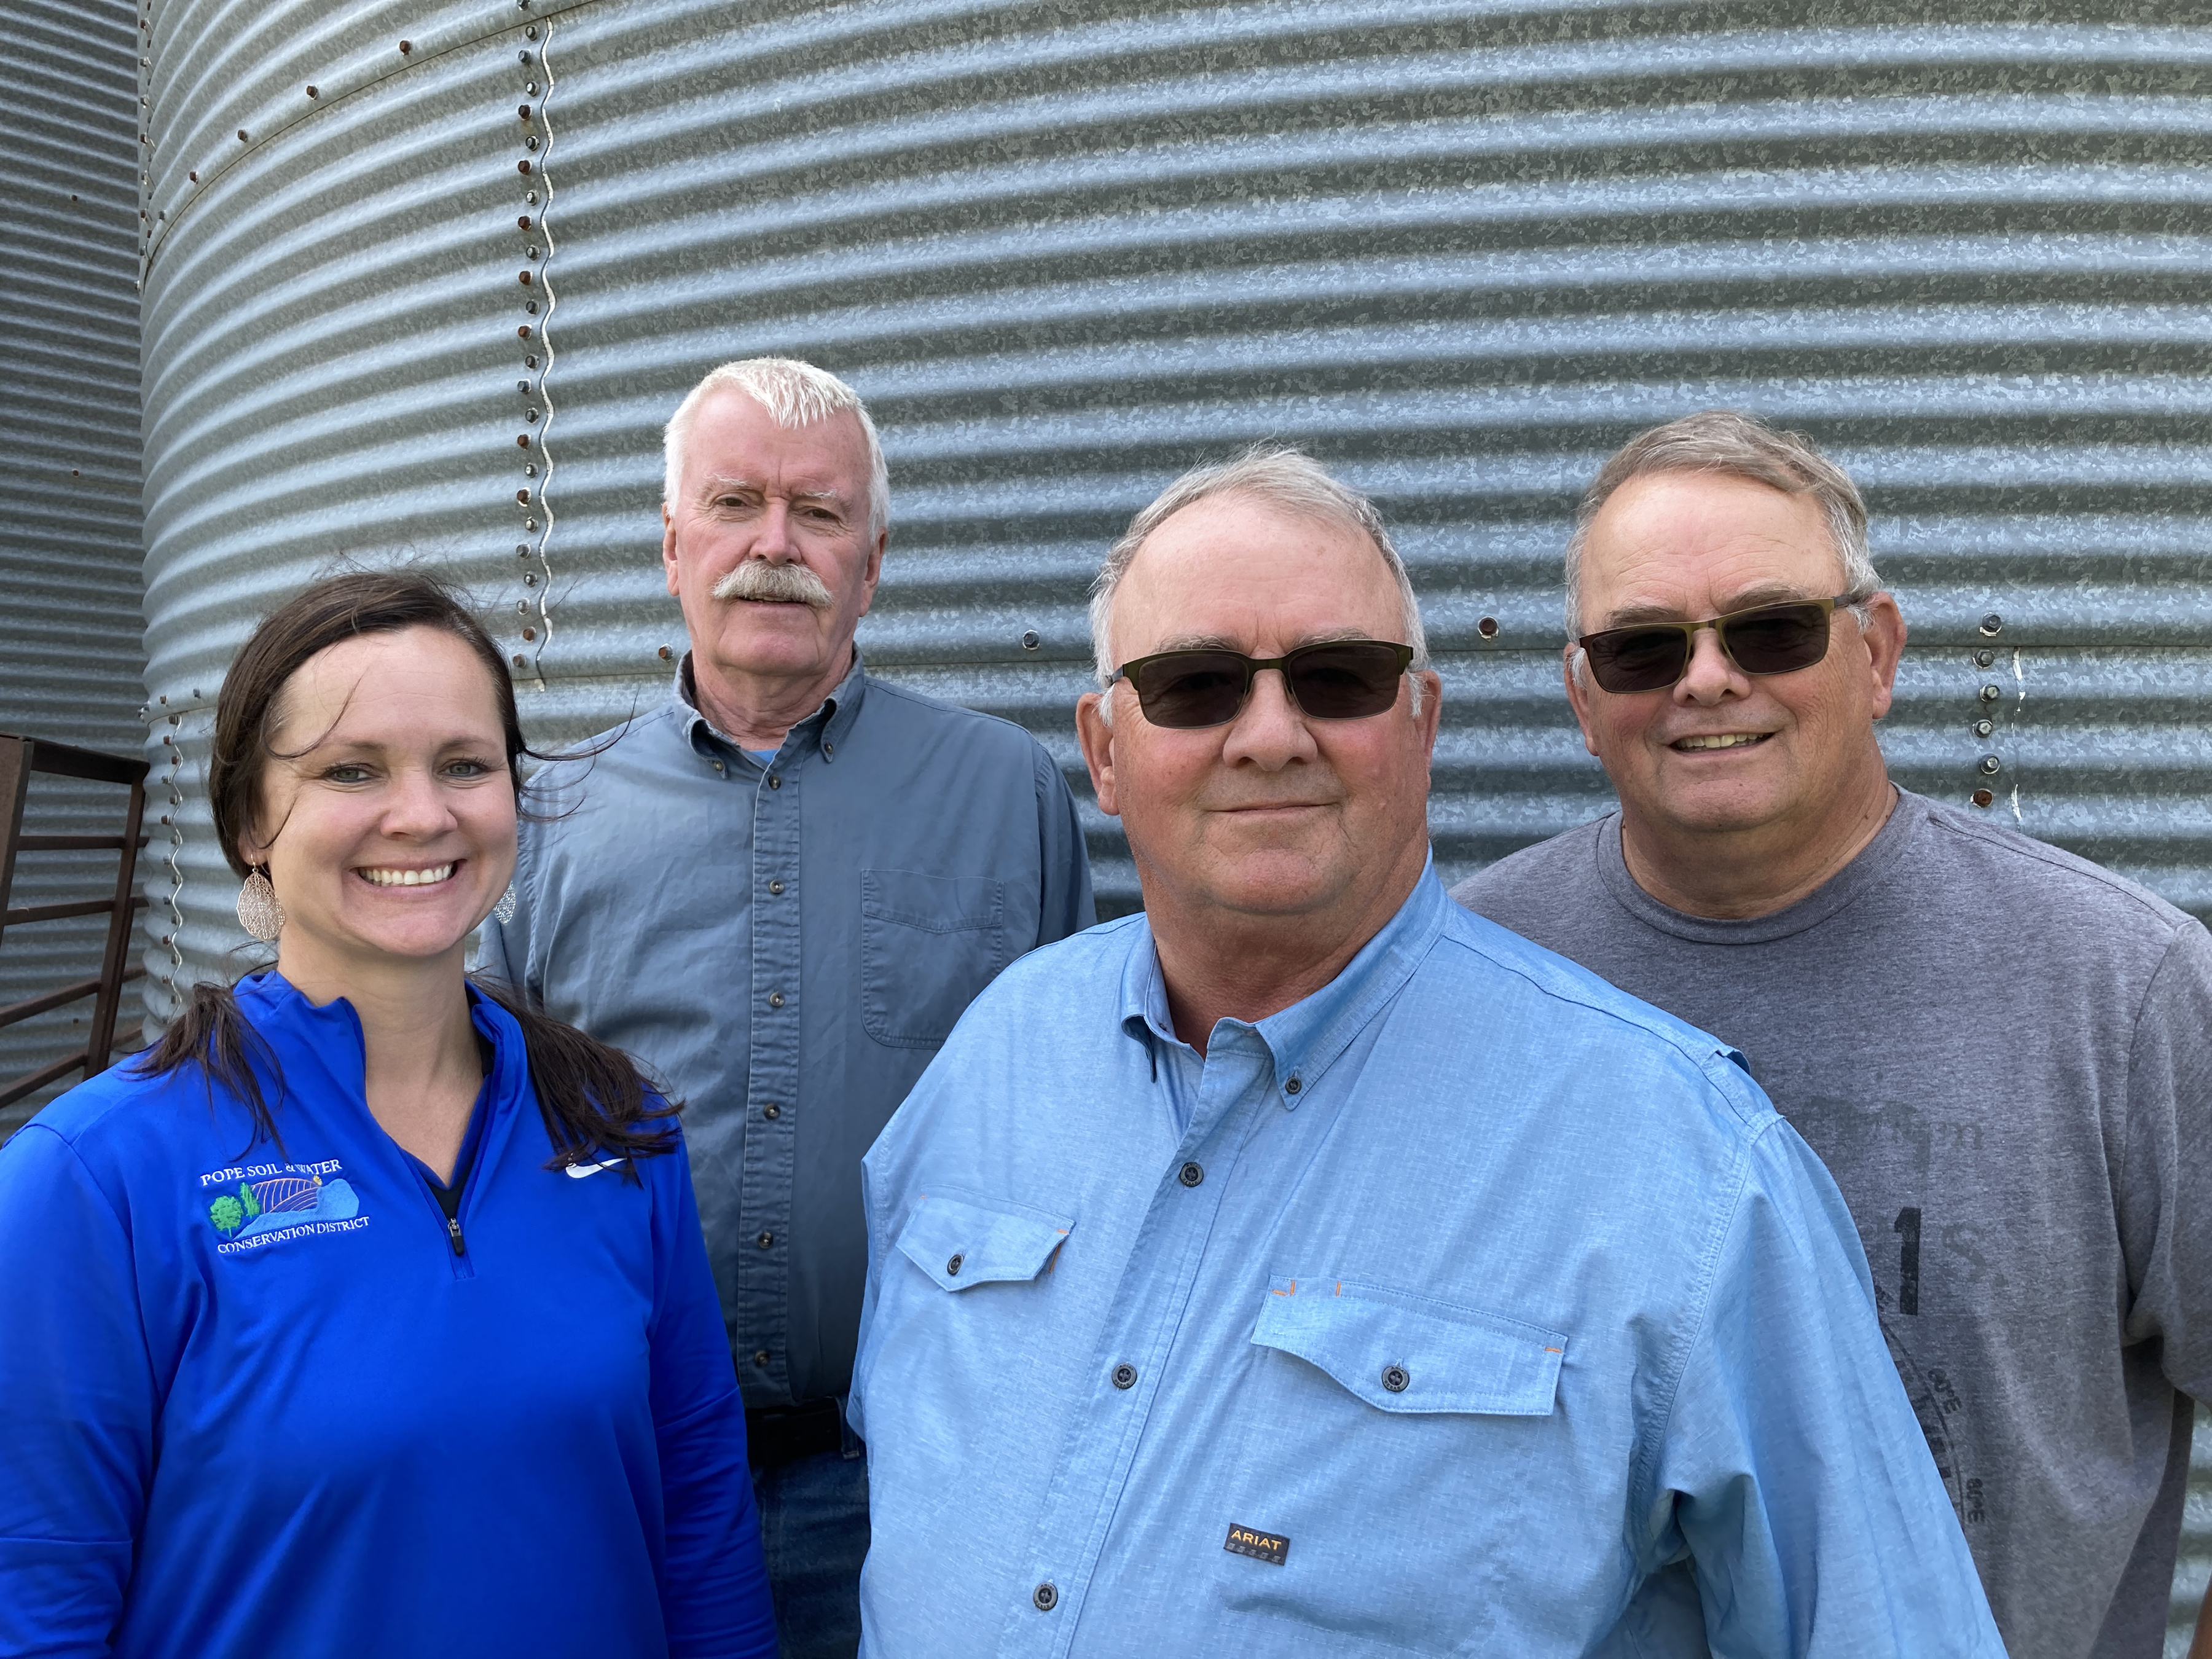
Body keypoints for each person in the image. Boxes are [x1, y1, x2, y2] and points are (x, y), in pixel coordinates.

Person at [849, 448, 2004, 1655]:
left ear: (1423, 720)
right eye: (1195, 685)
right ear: (1103, 746)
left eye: (1337, 677)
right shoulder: (997, 1055)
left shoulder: (1683, 1165)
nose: (1270, 735)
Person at [1453, 409, 2212, 1659]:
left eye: (1770, 629)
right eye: (1644, 647)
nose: (1707, 677)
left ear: (1879, 654)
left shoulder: (2121, 990)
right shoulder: (1479, 982)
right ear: (1584, 701)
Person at [0, 571, 777, 1659]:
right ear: (249, 822)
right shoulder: (92, 1182)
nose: (423, 813)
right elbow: (34, 1601)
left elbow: (700, 1510)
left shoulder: (615, 1127)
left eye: (465, 764)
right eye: (350, 770)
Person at [480, 356, 1094, 1657]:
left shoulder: (1007, 795)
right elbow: (479, 1143)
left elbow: (1082, 1119)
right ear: (671, 548)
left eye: (818, 513)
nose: (775, 545)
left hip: (902, 1479)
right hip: (625, 1473)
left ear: (872, 560)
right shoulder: (546, 817)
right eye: (736, 504)